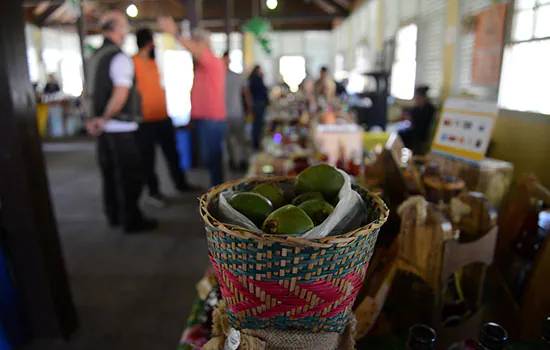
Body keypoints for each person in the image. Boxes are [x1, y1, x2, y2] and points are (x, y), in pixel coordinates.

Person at [85, 11, 156, 233]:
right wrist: (105, 118)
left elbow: (89, 92)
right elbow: (120, 94)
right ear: (114, 29)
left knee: (109, 175)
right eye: (124, 26)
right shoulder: (119, 57)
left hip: (102, 128)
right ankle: (132, 220)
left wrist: (92, 120)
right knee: (129, 176)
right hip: (120, 127)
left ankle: (114, 215)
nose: (126, 31)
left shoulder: (95, 56)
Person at [158, 17, 226, 187]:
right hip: (204, 119)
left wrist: (175, 34)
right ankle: (216, 192)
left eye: (196, 42)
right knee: (209, 159)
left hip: (211, 119)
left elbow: (196, 50)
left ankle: (217, 194)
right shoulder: (203, 66)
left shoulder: (212, 61)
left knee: (213, 159)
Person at [133, 28, 194, 207]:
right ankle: (154, 192)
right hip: (144, 120)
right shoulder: (133, 62)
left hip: (162, 116)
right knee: (147, 159)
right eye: (153, 41)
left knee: (173, 153)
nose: (155, 44)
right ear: (148, 42)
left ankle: (181, 184)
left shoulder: (152, 63)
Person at [222, 51, 252, 170]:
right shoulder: (236, 77)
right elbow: (246, 95)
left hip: (232, 113)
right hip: (229, 114)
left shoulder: (235, 77)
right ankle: (238, 161)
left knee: (236, 140)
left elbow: (246, 94)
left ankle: (238, 161)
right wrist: (249, 109)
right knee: (236, 141)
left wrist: (249, 110)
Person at [399, 85, 436, 153]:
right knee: (401, 133)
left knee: (406, 136)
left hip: (423, 133)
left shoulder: (430, 108)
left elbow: (423, 123)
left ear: (424, 98)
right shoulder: (416, 108)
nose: (417, 100)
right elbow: (409, 116)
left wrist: (411, 119)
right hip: (415, 130)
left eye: (418, 98)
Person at [248, 65, 268, 150]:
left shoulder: (251, 80)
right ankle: (257, 144)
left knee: (255, 124)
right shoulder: (258, 79)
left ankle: (255, 143)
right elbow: (263, 91)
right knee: (258, 125)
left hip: (255, 104)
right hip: (259, 104)